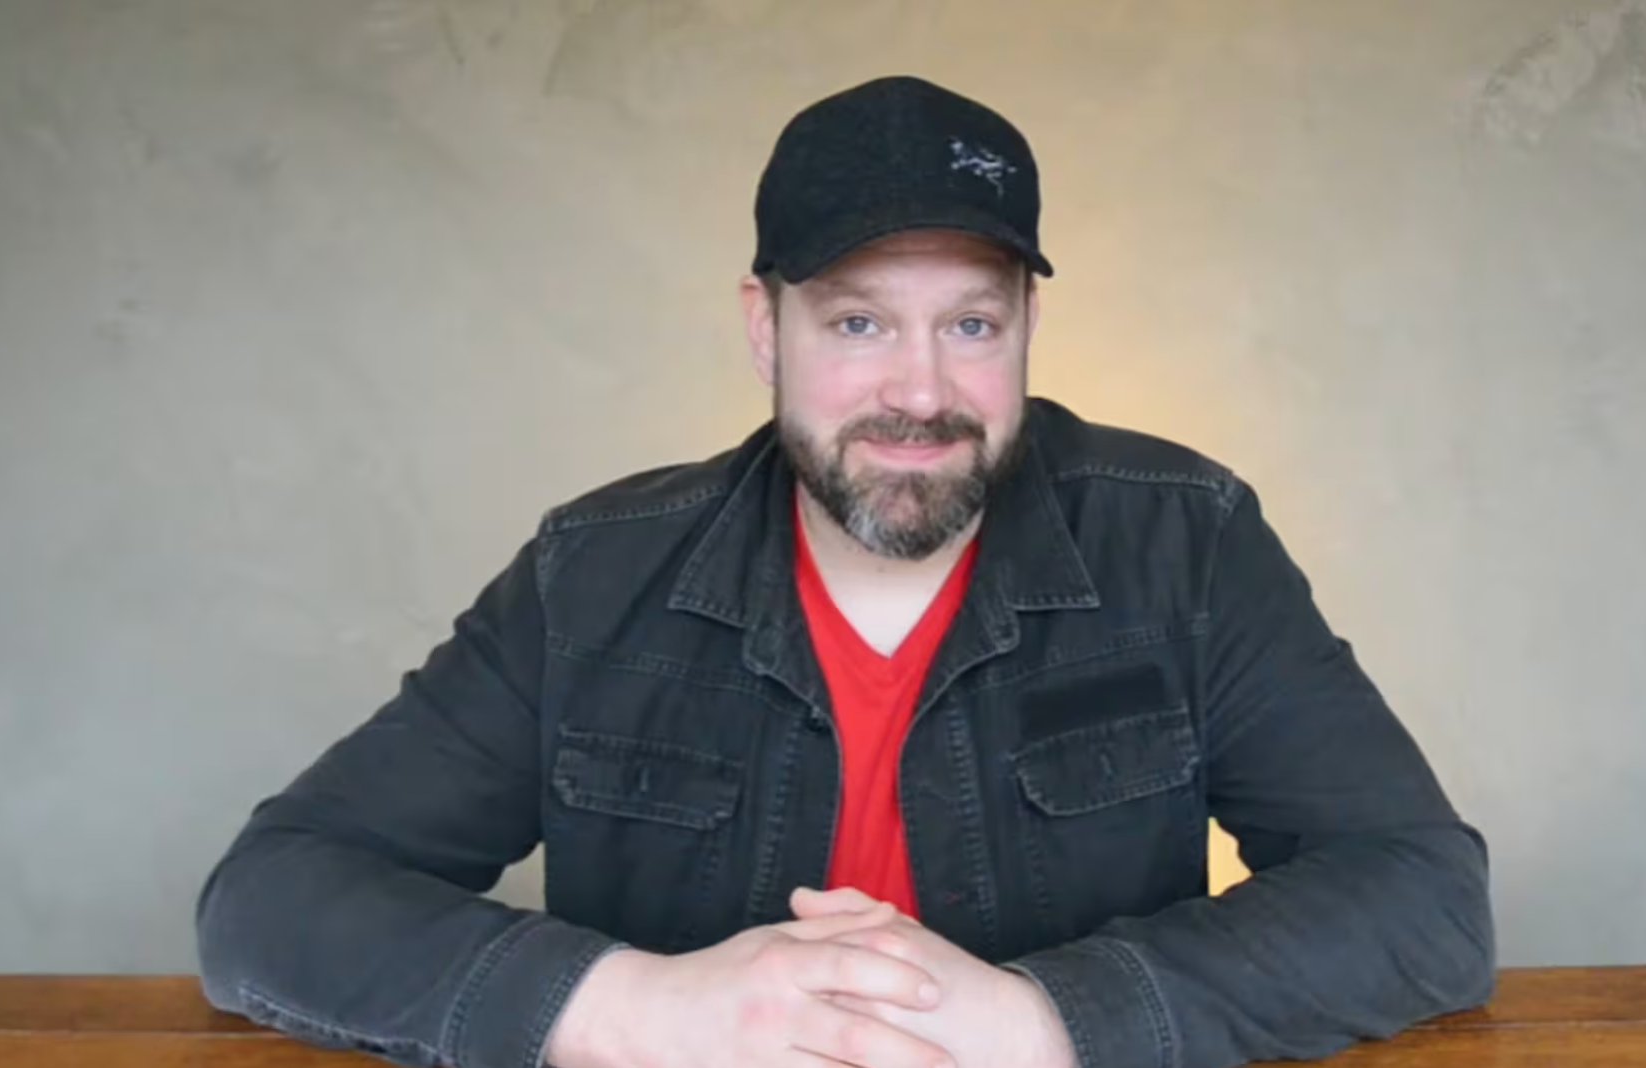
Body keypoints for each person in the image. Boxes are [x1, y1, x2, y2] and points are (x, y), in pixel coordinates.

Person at [195, 74, 1496, 1068]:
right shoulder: (589, 579)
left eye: (971, 323)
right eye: (860, 321)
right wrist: (639, 1009)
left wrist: (1044, 1022)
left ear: (1029, 327)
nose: (920, 392)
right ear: (766, 329)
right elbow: (269, 898)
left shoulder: (1185, 542)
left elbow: (1424, 898)